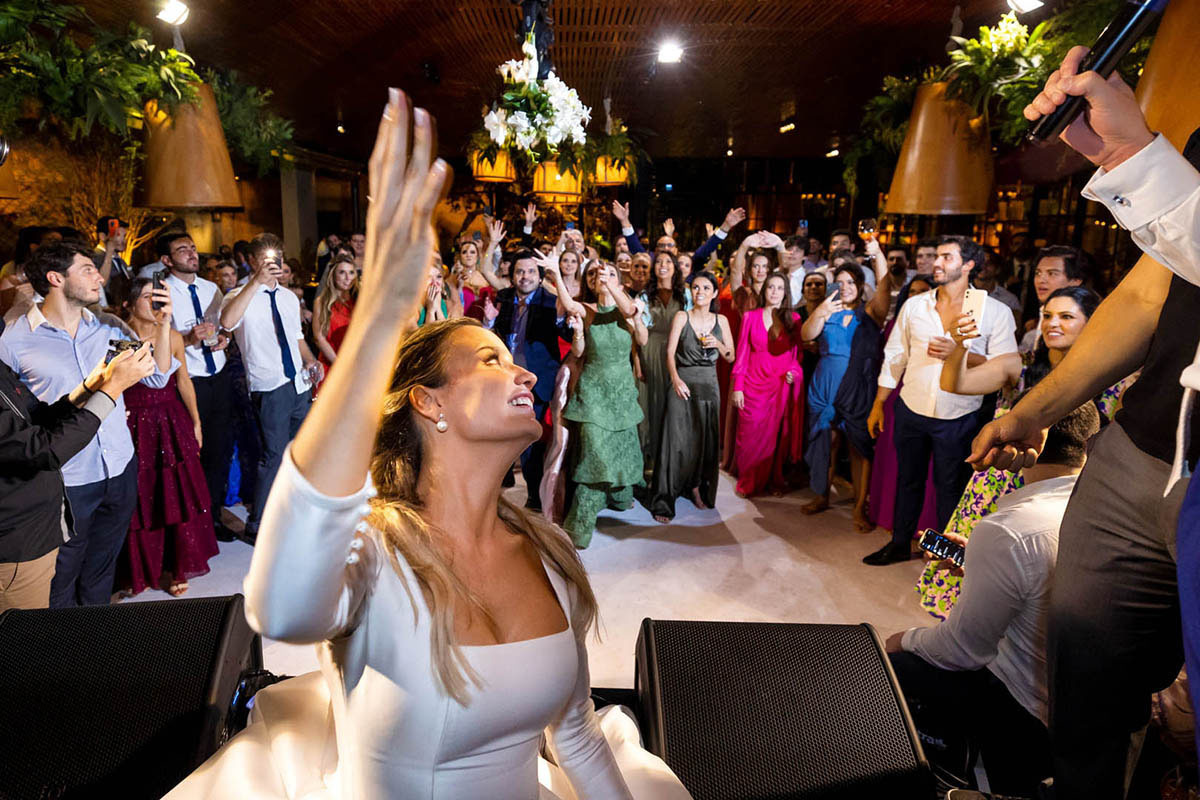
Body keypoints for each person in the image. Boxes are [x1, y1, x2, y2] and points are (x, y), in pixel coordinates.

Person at [166, 91, 684, 799]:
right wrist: (380, 315)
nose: (524, 370)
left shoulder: (550, 555)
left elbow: (577, 739)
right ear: (428, 401)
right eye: (493, 360)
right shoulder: (373, 552)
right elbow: (281, 609)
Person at [970, 46, 1200, 798]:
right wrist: (1032, 410)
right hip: (1138, 451)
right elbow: (1145, 298)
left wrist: (1138, 158)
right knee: (1086, 693)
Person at [885, 402, 1101, 796]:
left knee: (895, 662)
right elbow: (1048, 580)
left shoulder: (1012, 529)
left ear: (1031, 437)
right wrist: (977, 564)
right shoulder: (1106, 511)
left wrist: (901, 640)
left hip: (1026, 709)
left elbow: (960, 651)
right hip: (1092, 707)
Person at [918, 286, 1132, 620]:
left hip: (1059, 493)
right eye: (1047, 315)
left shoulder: (1114, 380)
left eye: (1065, 316)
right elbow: (955, 383)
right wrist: (960, 346)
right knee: (971, 582)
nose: (1052, 324)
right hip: (995, 486)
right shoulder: (1018, 366)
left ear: (1092, 324)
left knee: (1033, 593)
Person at [0, 242, 172, 606]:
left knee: (100, 573)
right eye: (88, 269)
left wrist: (163, 324)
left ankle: (94, 648)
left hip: (119, 468)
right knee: (60, 581)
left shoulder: (110, 325)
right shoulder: (13, 338)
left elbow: (156, 377)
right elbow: (20, 419)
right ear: (55, 278)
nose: (100, 275)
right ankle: (64, 655)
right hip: (67, 479)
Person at [864, 235, 1018, 566]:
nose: (937, 262)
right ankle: (900, 542)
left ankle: (944, 554)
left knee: (950, 488)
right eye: (936, 256)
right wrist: (879, 403)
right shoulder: (914, 306)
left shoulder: (994, 311)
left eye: (947, 257)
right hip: (912, 408)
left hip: (961, 415)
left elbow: (1007, 367)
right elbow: (895, 355)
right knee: (909, 479)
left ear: (969, 265)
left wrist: (960, 354)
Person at [1, 332, 154, 610]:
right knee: (29, 639)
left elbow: (34, 421)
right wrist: (112, 389)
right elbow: (41, 450)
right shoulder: (15, 336)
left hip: (38, 529)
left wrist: (89, 388)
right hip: (16, 548)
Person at [118, 279, 218, 597]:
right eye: (149, 297)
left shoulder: (173, 336)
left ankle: (175, 567)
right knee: (138, 497)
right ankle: (139, 569)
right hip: (131, 421)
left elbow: (183, 380)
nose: (156, 304)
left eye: (159, 298)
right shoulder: (116, 337)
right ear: (129, 303)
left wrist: (197, 422)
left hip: (170, 419)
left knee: (174, 493)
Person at [220, 233, 321, 544]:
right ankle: (259, 522)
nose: (272, 264)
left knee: (300, 453)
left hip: (298, 383)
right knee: (273, 455)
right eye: (265, 259)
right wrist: (255, 282)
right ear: (252, 261)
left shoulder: (290, 298)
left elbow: (297, 338)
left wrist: (310, 361)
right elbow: (226, 322)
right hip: (269, 384)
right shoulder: (237, 296)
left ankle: (293, 513)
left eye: (276, 258)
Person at [155, 231, 238, 543]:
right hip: (188, 381)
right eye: (182, 250)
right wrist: (189, 339)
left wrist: (224, 339)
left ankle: (214, 519)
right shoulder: (161, 291)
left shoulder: (211, 288)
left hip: (218, 373)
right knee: (193, 453)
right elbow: (158, 340)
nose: (192, 254)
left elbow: (225, 326)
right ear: (167, 260)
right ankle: (191, 526)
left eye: (192, 248)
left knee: (219, 451)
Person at [558, 261, 646, 547]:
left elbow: (641, 336)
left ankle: (618, 498)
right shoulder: (586, 309)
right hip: (593, 393)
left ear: (618, 280)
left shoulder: (629, 307)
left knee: (621, 450)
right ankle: (578, 530)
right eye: (594, 274)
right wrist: (556, 273)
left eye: (606, 272)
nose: (600, 277)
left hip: (621, 392)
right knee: (593, 457)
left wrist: (613, 288)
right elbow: (571, 311)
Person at [483, 249, 569, 511]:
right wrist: (488, 323)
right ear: (512, 275)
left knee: (530, 441)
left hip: (536, 381)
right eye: (520, 271)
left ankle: (534, 497)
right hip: (506, 380)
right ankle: (498, 483)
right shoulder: (504, 298)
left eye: (531, 271)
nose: (525, 276)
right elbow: (495, 334)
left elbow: (564, 328)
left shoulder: (549, 300)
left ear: (540, 276)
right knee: (501, 435)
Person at [800, 262, 883, 530]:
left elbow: (884, 291)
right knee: (827, 442)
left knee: (858, 448)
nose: (845, 287)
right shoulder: (827, 310)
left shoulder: (868, 313)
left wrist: (875, 252)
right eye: (840, 282)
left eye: (850, 282)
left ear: (860, 286)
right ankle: (821, 495)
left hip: (856, 388)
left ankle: (860, 507)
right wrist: (822, 310)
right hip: (824, 384)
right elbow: (806, 334)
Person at [649, 270, 733, 523]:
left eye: (706, 288)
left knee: (703, 441)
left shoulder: (722, 321)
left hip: (709, 384)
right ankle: (665, 498)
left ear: (715, 293)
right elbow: (669, 352)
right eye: (696, 287)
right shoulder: (681, 316)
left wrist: (718, 345)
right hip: (682, 381)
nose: (700, 292)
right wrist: (675, 379)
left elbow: (731, 356)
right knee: (675, 441)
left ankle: (697, 487)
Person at [866, 275, 940, 536]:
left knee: (922, 466)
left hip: (926, 394)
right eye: (913, 291)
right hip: (893, 393)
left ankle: (919, 525)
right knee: (892, 460)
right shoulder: (898, 322)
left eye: (924, 291)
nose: (917, 296)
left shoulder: (937, 325)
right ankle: (887, 515)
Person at [729, 273, 802, 497]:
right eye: (771, 287)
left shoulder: (794, 318)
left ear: (785, 292)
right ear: (764, 290)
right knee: (748, 435)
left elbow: (796, 356)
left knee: (775, 437)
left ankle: (773, 480)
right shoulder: (750, 317)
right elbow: (741, 353)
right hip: (752, 383)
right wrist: (738, 386)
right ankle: (748, 481)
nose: (774, 292)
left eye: (780, 288)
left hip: (779, 385)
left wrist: (794, 373)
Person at [636, 250, 689, 481]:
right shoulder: (645, 295)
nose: (663, 265)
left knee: (673, 408)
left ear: (676, 267)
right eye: (658, 262)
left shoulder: (685, 294)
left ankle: (673, 463)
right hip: (649, 352)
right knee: (649, 408)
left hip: (677, 354)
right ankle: (649, 464)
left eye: (668, 261)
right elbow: (635, 334)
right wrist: (637, 363)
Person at [1019, 246, 1089, 352]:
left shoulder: (1087, 318)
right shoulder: (1041, 313)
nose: (1041, 280)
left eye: (1052, 273)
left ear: (1076, 280)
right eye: (1038, 273)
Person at [312, 254, 357, 391]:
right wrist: (340, 365)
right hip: (332, 363)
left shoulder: (359, 300)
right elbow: (319, 338)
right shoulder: (321, 302)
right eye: (342, 272)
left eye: (351, 272)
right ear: (333, 275)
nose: (348, 277)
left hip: (357, 364)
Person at [94, 216, 133, 312]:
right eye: (118, 235)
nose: (123, 241)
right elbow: (100, 284)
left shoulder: (120, 261)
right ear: (103, 236)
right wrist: (109, 252)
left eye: (124, 236)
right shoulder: (94, 257)